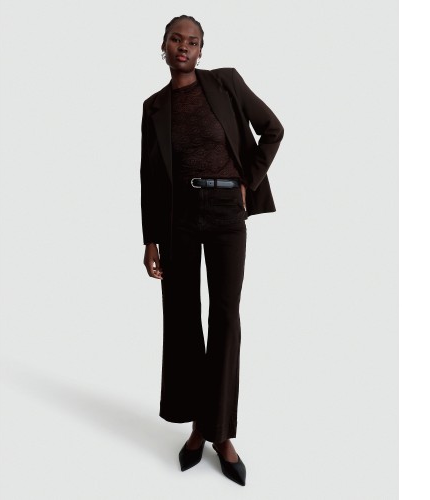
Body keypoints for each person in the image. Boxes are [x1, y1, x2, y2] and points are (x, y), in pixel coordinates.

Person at [140, 14, 284, 486]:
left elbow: (273, 129)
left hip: (225, 212)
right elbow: (149, 177)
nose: (184, 46)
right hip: (178, 218)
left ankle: (220, 434)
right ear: (163, 46)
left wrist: (248, 182)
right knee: (183, 317)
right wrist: (150, 239)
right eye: (176, 39)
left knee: (224, 319)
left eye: (193, 41)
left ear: (202, 50)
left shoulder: (225, 83)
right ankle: (198, 426)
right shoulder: (154, 107)